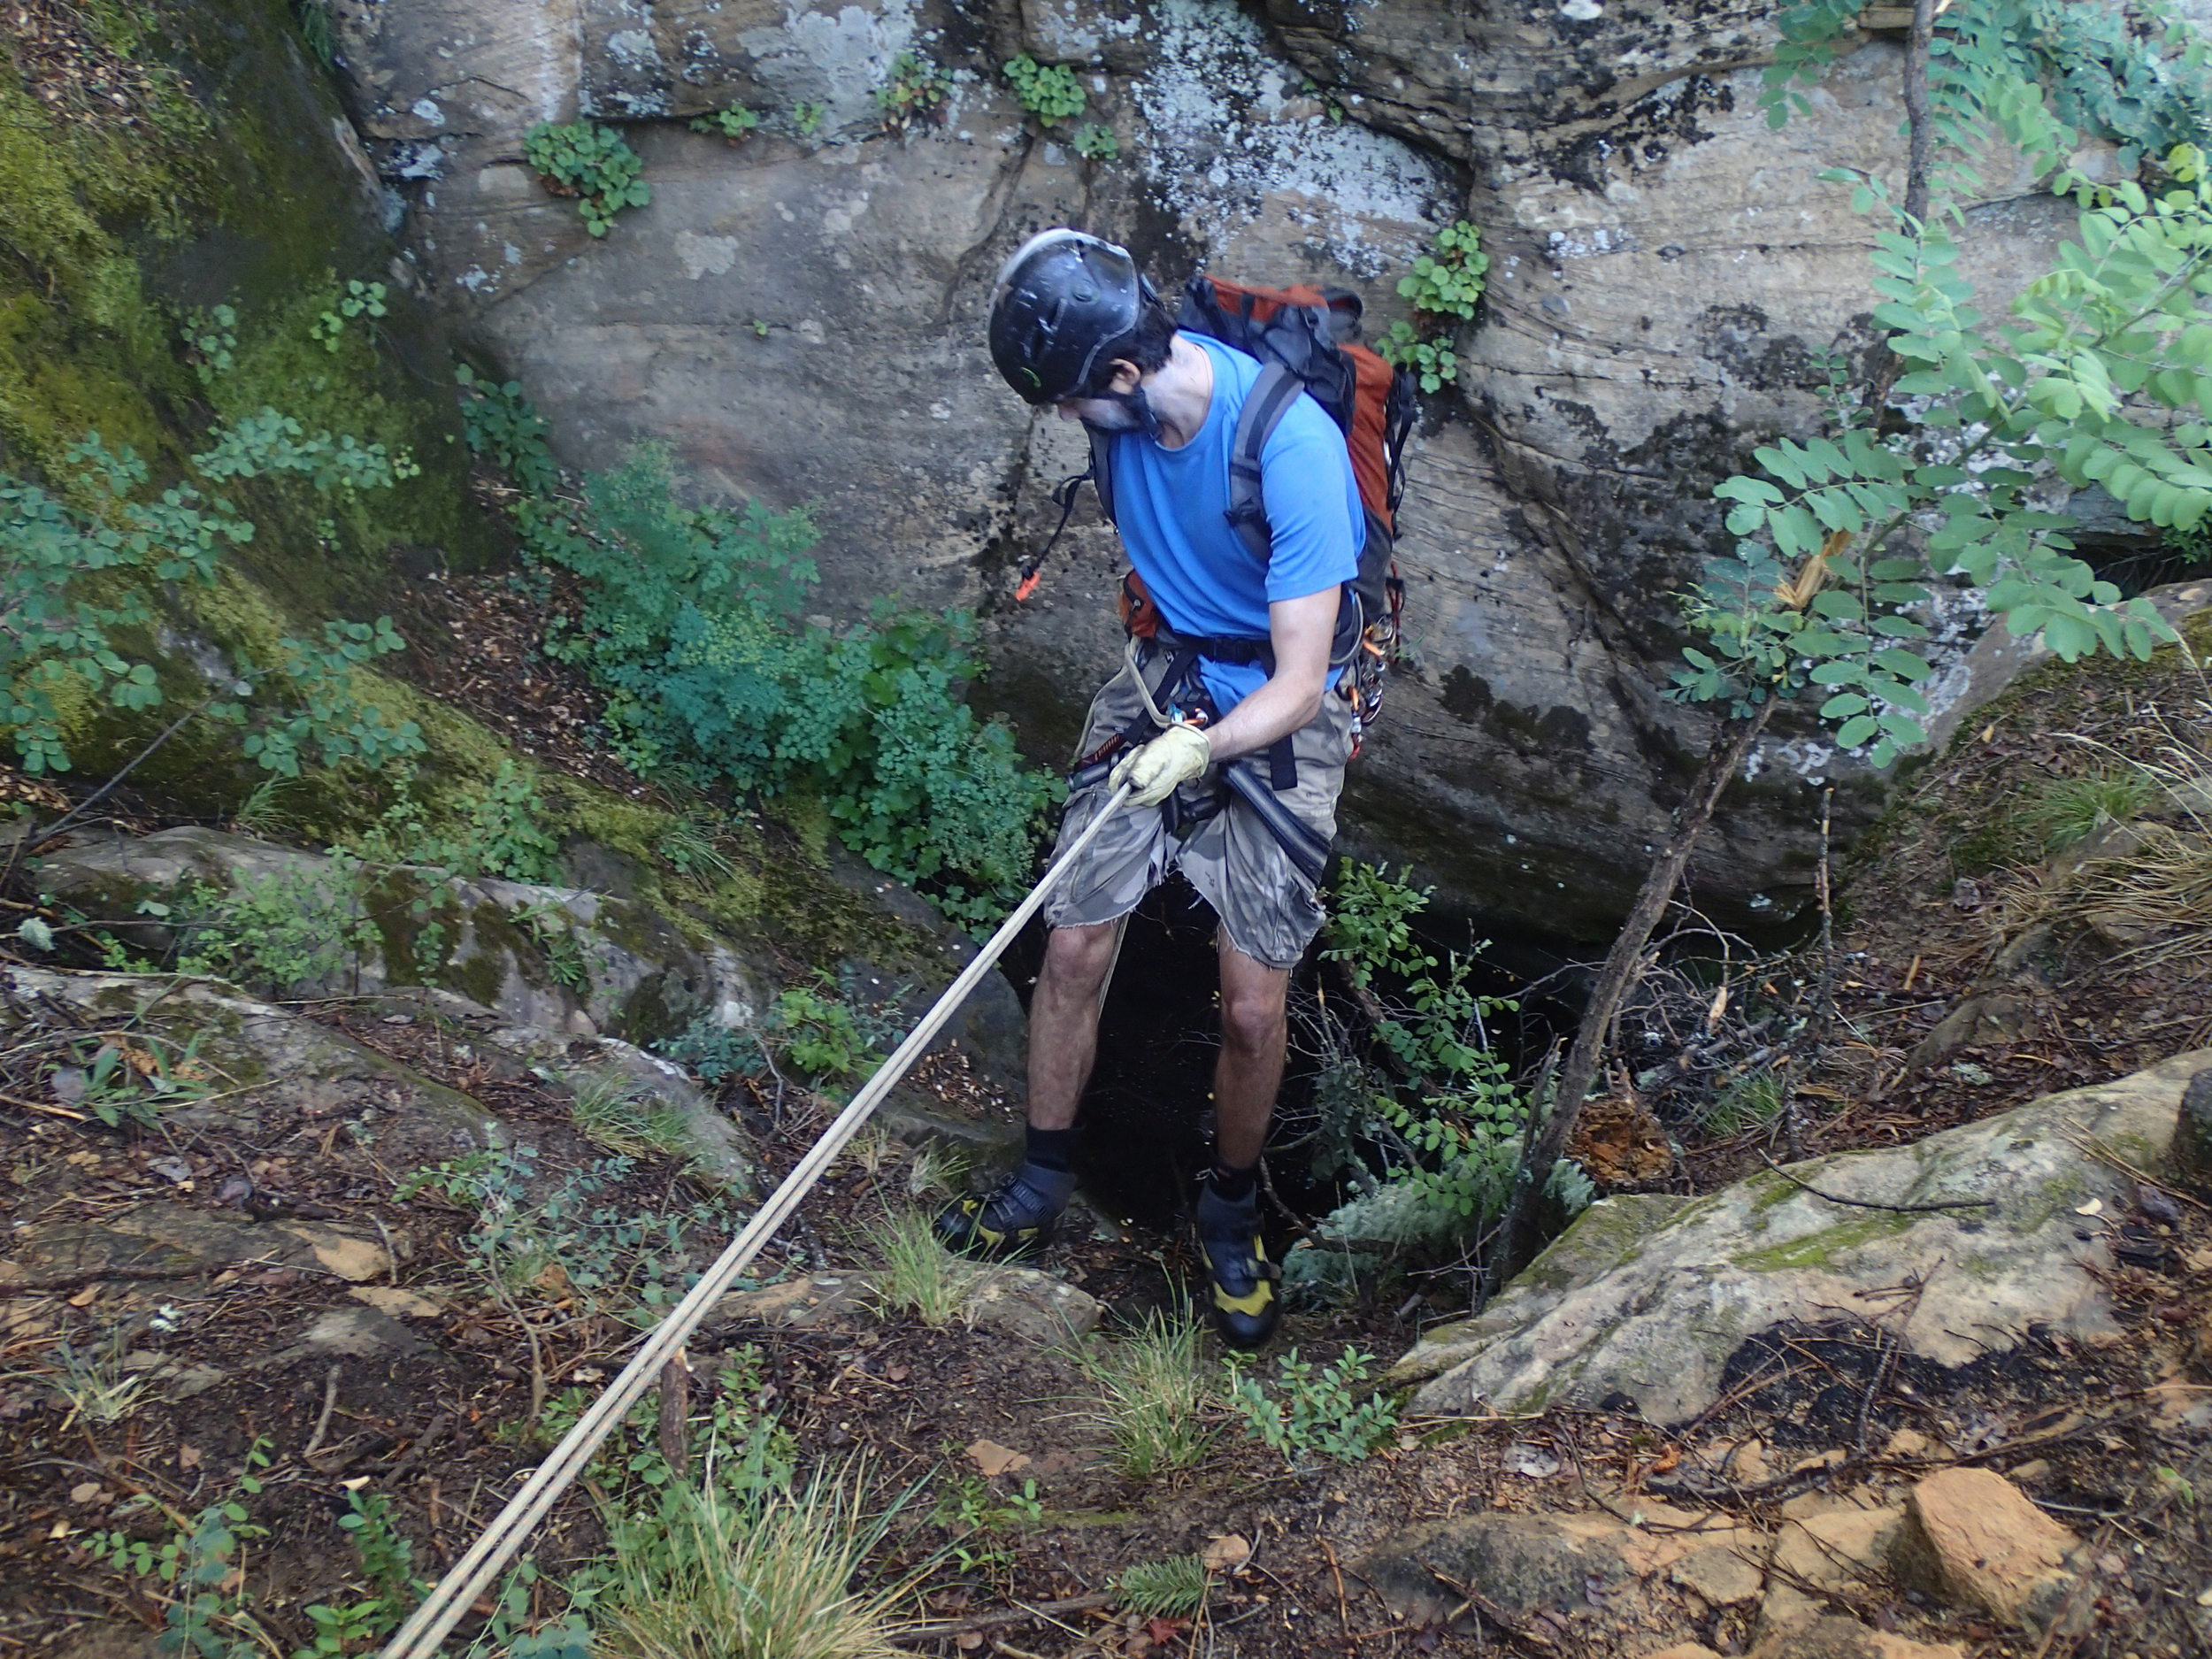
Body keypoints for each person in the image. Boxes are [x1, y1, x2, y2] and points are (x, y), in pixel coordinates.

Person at [936, 228, 1364, 1349]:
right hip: (1166, 671)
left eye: (1078, 401)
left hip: (1273, 704)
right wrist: (1168, 714)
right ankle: (1040, 1181)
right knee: (1072, 946)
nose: (1073, 424)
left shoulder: (1295, 451)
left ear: (1124, 373)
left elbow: (1305, 684)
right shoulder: (1127, 422)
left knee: (1249, 1003)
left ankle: (1230, 1217)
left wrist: (1204, 747)